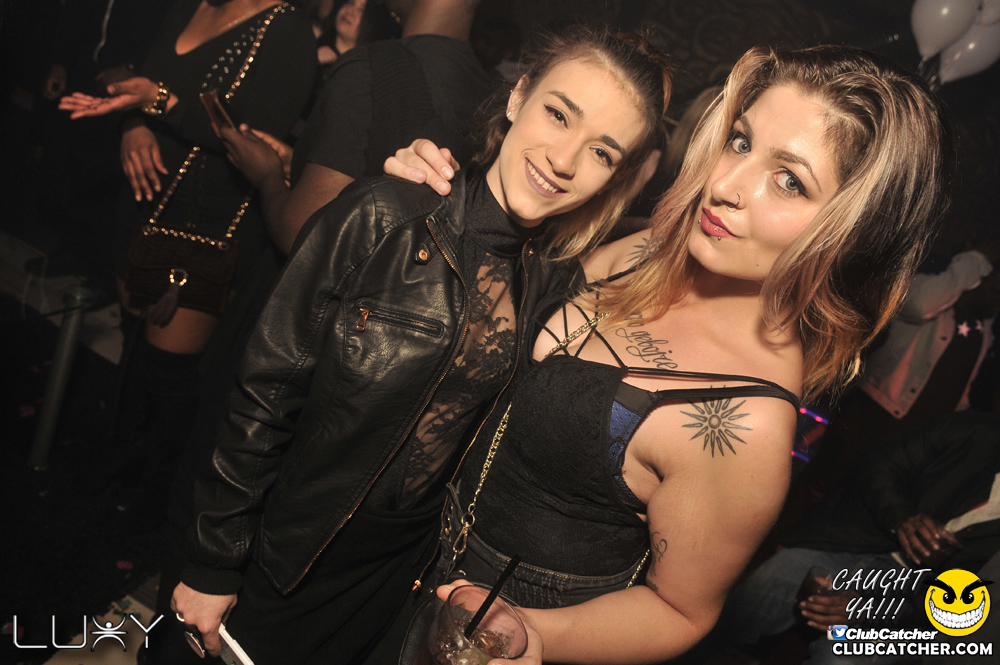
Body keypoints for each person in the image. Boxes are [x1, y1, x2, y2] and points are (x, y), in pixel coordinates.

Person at [384, 43, 953, 663]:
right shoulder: (650, 248)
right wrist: (442, 207)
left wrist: (533, 632)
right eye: (740, 142)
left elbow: (681, 611)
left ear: (851, 233)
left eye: (789, 180)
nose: (724, 185)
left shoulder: (746, 422)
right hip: (399, 556)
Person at [170, 28, 672, 665]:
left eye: (602, 152)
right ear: (518, 96)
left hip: (403, 575)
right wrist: (214, 561)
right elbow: (263, 397)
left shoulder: (550, 285)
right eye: (557, 114)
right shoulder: (385, 215)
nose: (564, 160)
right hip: (291, 551)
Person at [56, 0, 315, 514]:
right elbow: (141, 83)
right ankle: (116, 473)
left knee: (170, 375)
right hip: (142, 205)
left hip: (203, 228)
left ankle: (158, 503)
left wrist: (162, 103)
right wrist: (134, 124)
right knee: (134, 346)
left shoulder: (288, 34)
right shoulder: (187, 6)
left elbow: (253, 143)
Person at [703, 409, 1000, 665]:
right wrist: (901, 519)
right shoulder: (978, 432)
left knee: (842, 659)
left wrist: (869, 610)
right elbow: (881, 463)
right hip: (857, 541)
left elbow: (961, 611)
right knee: (757, 596)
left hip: (909, 600)